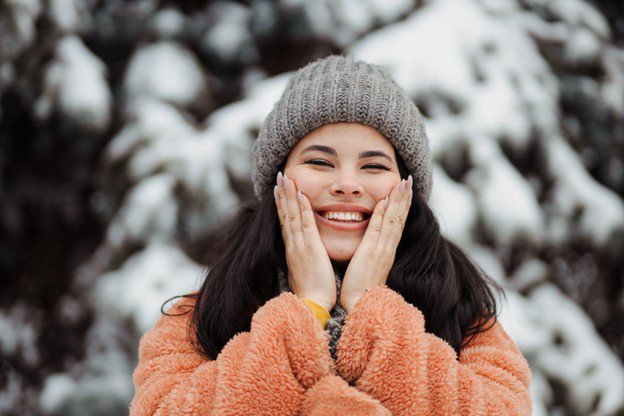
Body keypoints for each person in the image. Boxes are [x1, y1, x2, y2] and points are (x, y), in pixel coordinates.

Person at [129, 55, 532, 415]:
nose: (347, 184)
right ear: (279, 182)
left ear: (406, 190)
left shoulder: (463, 316)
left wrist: (371, 312)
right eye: (320, 161)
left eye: (373, 166)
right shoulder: (199, 317)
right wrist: (306, 312)